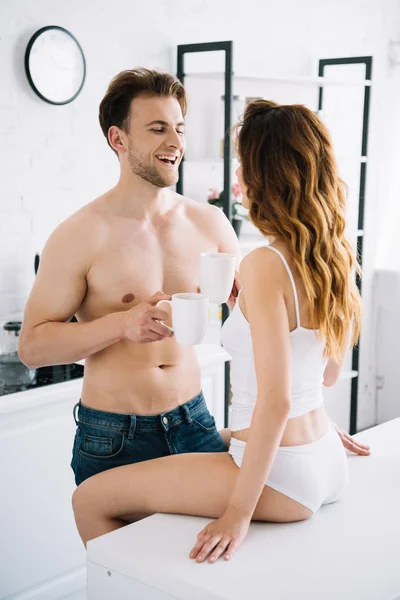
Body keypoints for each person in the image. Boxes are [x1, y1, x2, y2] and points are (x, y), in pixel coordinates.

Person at [71, 99, 371, 562]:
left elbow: (277, 401)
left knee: (88, 498)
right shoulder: (334, 255)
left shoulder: (264, 264)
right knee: (190, 457)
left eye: (244, 165)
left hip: (284, 473)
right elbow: (323, 376)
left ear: (265, 175)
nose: (238, 180)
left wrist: (237, 513)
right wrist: (247, 313)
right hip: (325, 458)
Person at [18, 68, 241, 486]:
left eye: (179, 128)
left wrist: (302, 422)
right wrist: (123, 324)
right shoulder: (79, 234)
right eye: (158, 129)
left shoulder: (211, 223)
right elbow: (32, 347)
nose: (175, 143)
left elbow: (260, 328)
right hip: (115, 436)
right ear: (118, 138)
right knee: (119, 555)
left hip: (195, 419)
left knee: (207, 552)